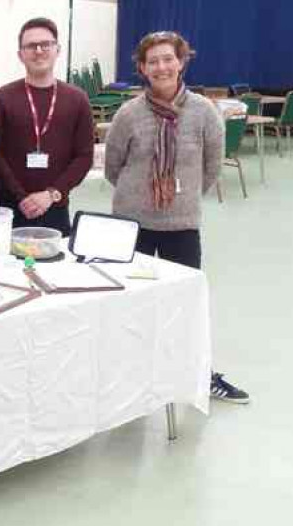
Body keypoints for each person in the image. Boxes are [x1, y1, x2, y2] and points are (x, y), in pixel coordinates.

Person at [105, 30, 249, 404]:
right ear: (142, 68)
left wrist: (176, 199)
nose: (161, 66)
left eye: (168, 58)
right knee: (130, 304)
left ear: (181, 62)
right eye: (152, 61)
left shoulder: (205, 112)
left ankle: (197, 373)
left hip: (181, 225)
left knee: (185, 306)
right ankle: (129, 374)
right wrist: (142, 195)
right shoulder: (128, 114)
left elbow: (212, 168)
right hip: (131, 227)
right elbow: (113, 167)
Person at [0, 17, 93, 236]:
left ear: (57, 49)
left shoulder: (77, 99)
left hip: (55, 208)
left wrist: (50, 194)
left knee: (56, 268)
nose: (38, 50)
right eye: (30, 46)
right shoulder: (2, 98)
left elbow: (84, 156)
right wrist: (21, 197)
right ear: (20, 54)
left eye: (46, 44)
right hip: (9, 209)